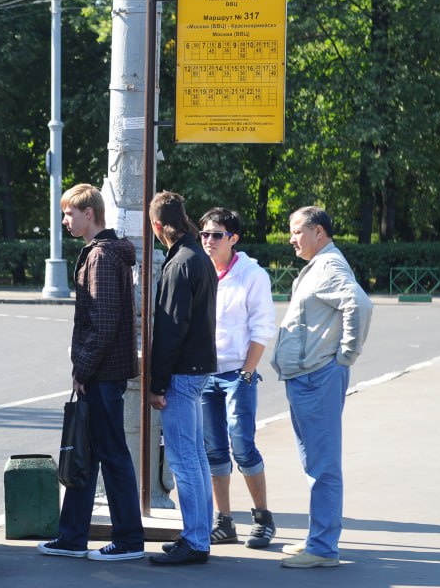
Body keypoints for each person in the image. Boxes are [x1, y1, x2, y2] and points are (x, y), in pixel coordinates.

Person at [37, 184, 144, 562]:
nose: (65, 220)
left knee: (111, 456)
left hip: (102, 374)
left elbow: (104, 321)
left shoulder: (100, 257)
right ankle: (72, 536)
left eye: (69, 213)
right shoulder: (103, 253)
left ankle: (129, 539)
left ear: (89, 213)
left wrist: (81, 369)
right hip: (104, 372)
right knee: (90, 452)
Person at [273, 206, 373, 568]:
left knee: (323, 465)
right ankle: (318, 537)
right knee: (315, 462)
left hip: (318, 377)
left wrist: (346, 355)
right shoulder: (319, 265)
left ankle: (323, 548)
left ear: (319, 232)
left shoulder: (329, 266)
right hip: (308, 377)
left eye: (297, 231)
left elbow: (359, 304)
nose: (291, 238)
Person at [197, 208, 278, 549]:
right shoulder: (199, 270)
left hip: (237, 374)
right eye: (204, 235)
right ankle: (224, 522)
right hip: (203, 376)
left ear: (233, 238)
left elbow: (262, 329)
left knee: (242, 445)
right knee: (214, 450)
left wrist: (246, 372)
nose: (208, 241)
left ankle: (262, 517)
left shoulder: (252, 274)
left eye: (216, 235)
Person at [146, 191, 217, 566]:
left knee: (183, 459)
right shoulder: (199, 258)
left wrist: (157, 385)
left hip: (181, 373)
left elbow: (171, 330)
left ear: (158, 226)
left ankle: (194, 540)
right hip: (199, 368)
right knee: (196, 458)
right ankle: (200, 533)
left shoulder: (178, 265)